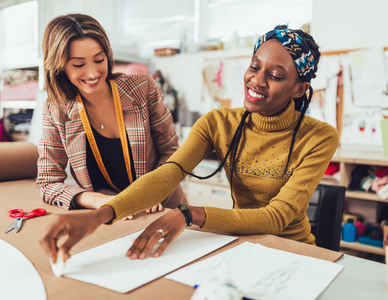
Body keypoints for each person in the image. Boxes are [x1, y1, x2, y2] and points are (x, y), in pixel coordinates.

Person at [40, 25, 339, 263]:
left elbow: (276, 217)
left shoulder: (319, 137)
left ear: (299, 88)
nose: (256, 81)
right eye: (254, 67)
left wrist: (188, 214)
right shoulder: (219, 122)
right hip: (244, 246)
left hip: (297, 253)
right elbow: (169, 172)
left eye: (274, 75)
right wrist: (99, 216)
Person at [36, 14, 186, 216]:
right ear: (59, 66)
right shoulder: (56, 109)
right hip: (110, 216)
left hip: (163, 209)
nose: (92, 73)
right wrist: (100, 201)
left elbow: (172, 151)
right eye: (78, 65)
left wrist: (151, 192)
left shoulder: (143, 88)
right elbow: (48, 182)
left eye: (99, 59)